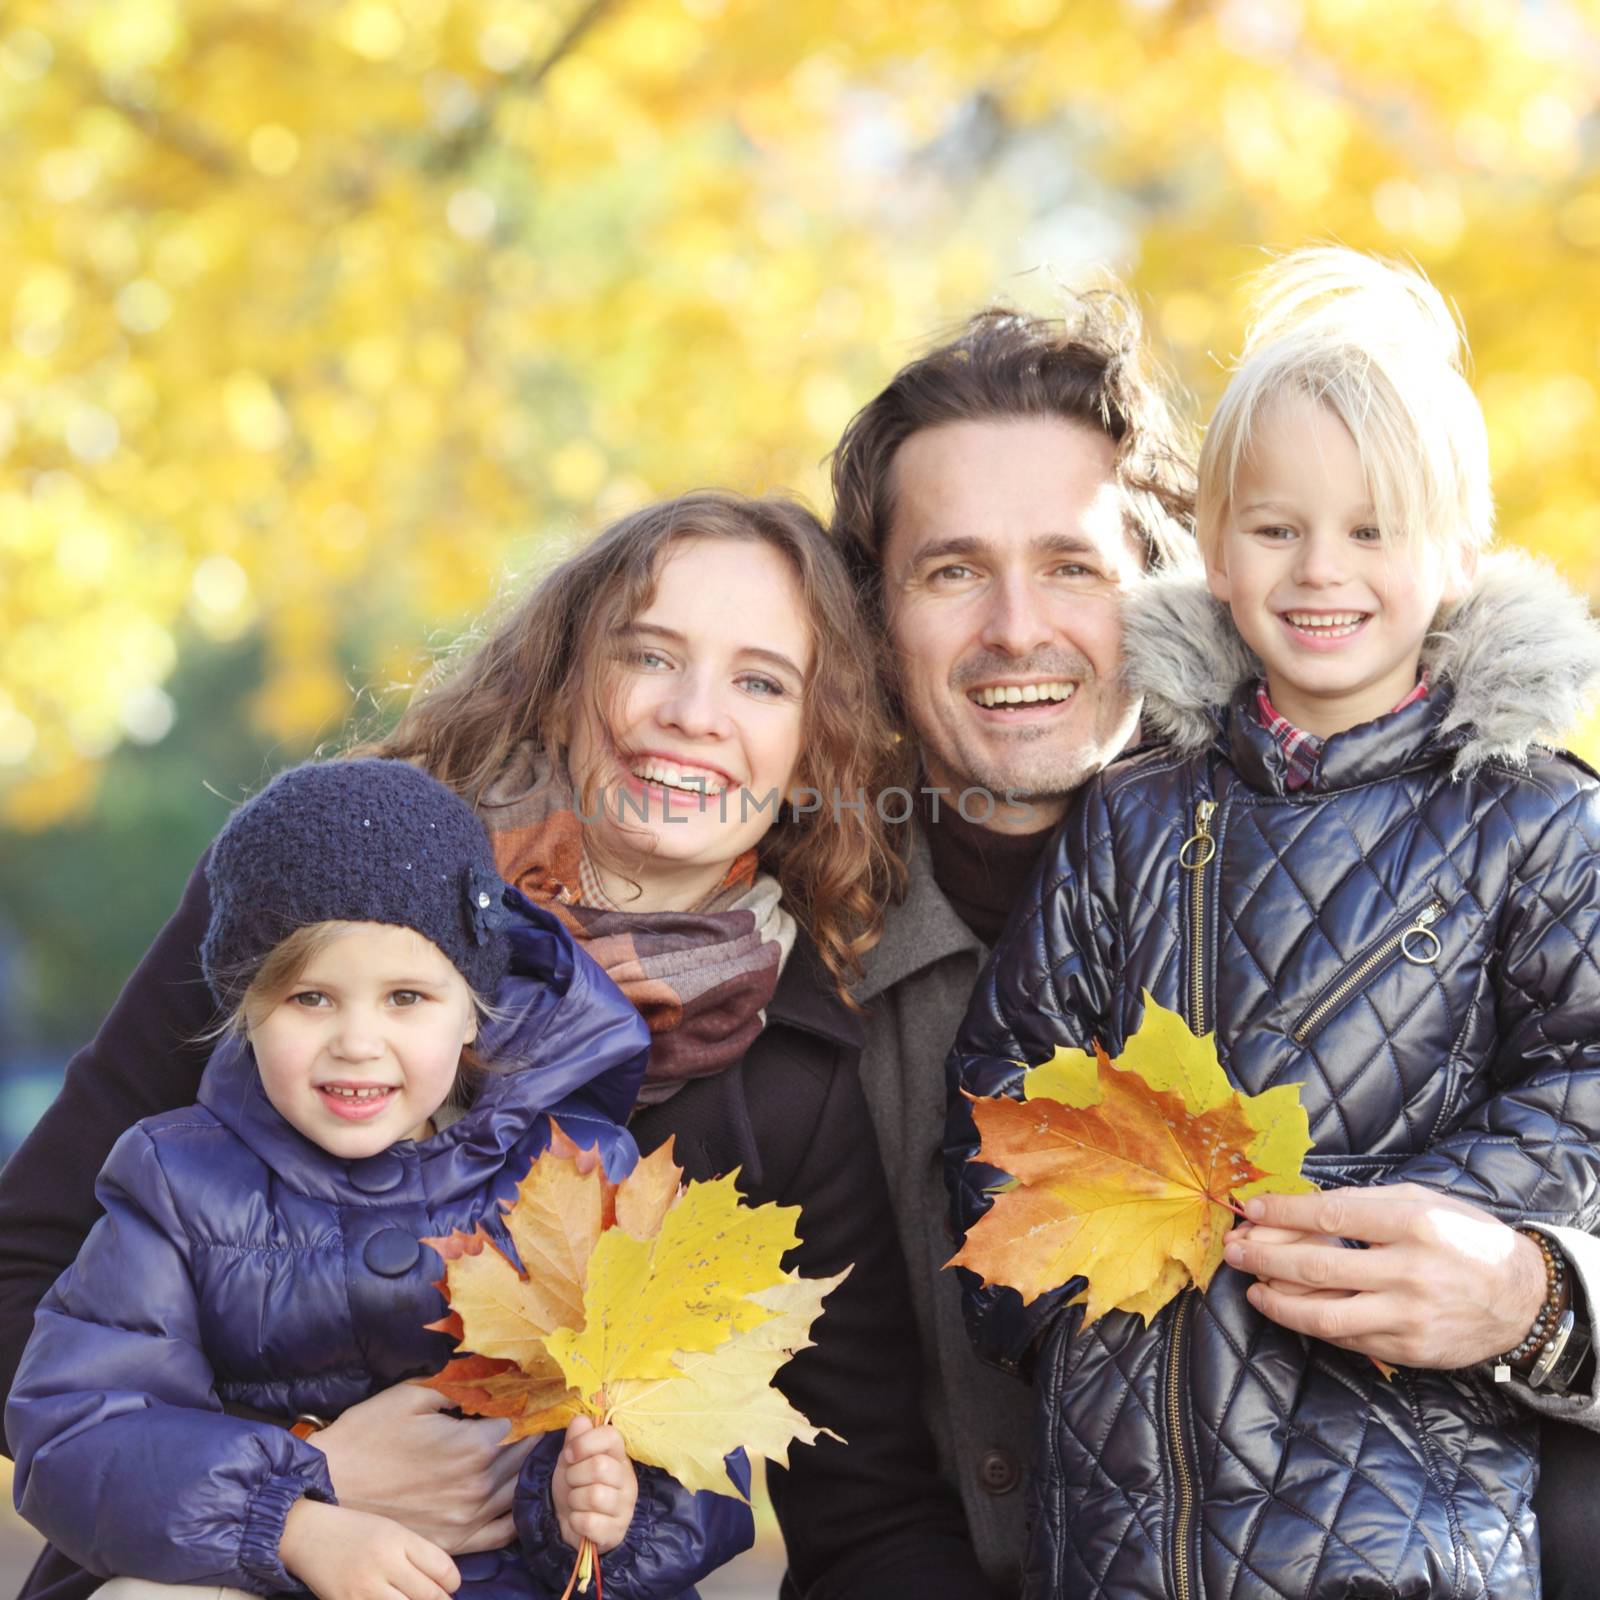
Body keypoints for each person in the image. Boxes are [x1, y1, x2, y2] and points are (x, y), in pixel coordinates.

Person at [0, 493, 986, 1600]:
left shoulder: (796, 1073)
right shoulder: (319, 887)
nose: (693, 713)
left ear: (814, 749)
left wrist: (588, 1499)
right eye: (648, 655)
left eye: (760, 681)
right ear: (564, 681)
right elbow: (28, 1279)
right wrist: (310, 1482)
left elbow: (855, 1498)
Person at [947, 248, 1600, 1596]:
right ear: (1218, 545)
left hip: (1407, 1518)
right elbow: (1007, 1076)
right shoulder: (1134, 822)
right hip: (1136, 1521)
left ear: (1459, 554)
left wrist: (1382, 1220)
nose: (1323, 572)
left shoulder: (1532, 823)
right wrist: (1062, 1269)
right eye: (1278, 527)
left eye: (1374, 530)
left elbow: (1589, 1083)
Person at [7, 755, 751, 1600]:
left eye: (405, 998)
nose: (357, 1042)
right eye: (310, 999)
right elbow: (79, 1434)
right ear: (244, 1007)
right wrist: (289, 1518)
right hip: (280, 1574)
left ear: (473, 1004)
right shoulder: (177, 1183)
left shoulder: (577, 1174)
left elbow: (698, 1430)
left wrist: (595, 1507)